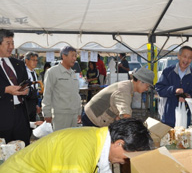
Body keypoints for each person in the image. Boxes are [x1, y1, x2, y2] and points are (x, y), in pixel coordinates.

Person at [0, 118, 153, 172]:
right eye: (127, 157)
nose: (124, 161)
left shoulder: (97, 137)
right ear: (119, 143)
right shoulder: (82, 153)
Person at [83, 67, 154, 127]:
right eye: (147, 86)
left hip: (97, 116)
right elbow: (126, 115)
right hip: (92, 118)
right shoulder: (124, 90)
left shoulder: (128, 86)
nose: (147, 89)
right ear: (140, 81)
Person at [155, 46, 192, 128]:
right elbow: (159, 89)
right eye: (184, 56)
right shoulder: (168, 72)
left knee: (182, 138)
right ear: (179, 56)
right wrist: (174, 90)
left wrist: (189, 97)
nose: (186, 60)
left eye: (190, 58)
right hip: (168, 116)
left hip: (185, 116)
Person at [0, 29, 30, 146]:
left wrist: (26, 91)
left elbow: (27, 83)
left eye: (13, 43)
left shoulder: (19, 63)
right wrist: (5, 90)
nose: (12, 46)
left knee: (23, 151)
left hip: (21, 116)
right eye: (8, 43)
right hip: (2, 118)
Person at [42, 46, 82, 131]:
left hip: (73, 114)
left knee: (71, 140)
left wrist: (79, 111)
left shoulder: (73, 73)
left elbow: (76, 94)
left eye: (76, 56)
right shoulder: (52, 72)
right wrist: (47, 114)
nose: (74, 58)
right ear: (64, 56)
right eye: (72, 55)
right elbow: (47, 94)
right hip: (60, 115)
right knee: (60, 141)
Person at [24, 52, 42, 135]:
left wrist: (37, 104)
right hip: (25, 102)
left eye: (36, 60)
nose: (35, 62)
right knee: (25, 124)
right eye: (33, 60)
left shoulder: (34, 72)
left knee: (32, 125)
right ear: (26, 60)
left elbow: (35, 89)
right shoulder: (23, 72)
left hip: (33, 102)